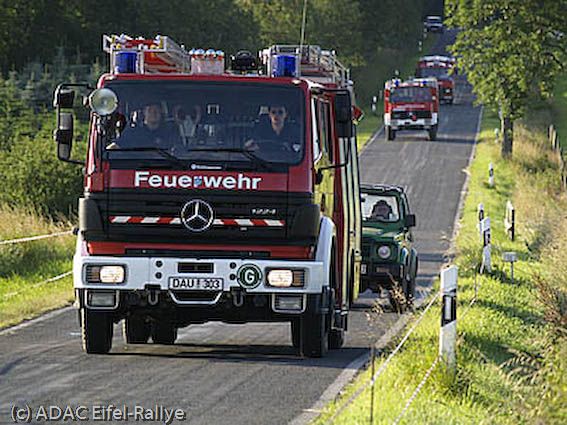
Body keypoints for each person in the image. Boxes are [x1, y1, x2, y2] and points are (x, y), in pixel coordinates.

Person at [112, 103, 178, 149]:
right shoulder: (132, 134)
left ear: (161, 113)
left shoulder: (169, 133)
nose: (153, 113)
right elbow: (115, 147)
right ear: (144, 112)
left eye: (157, 110)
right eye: (150, 110)